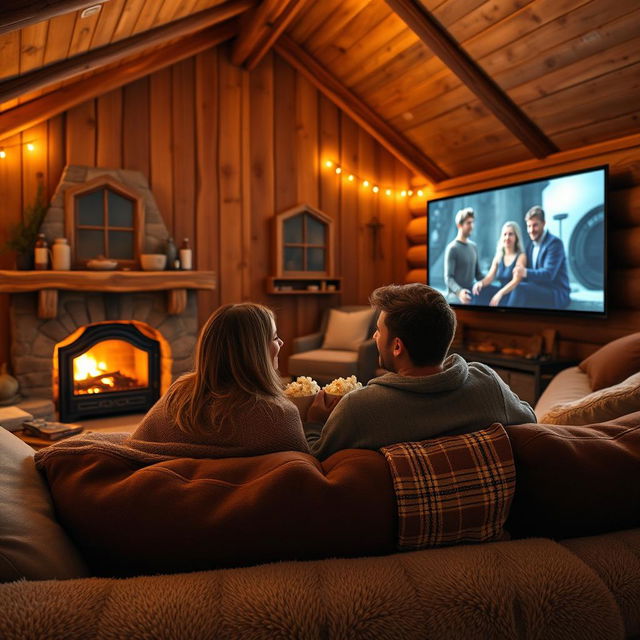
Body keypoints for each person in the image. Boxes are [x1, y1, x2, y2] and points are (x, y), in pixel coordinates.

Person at [305, 283, 536, 460]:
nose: (374, 337)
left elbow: (315, 458)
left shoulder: (359, 408)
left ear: (397, 346)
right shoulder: (487, 385)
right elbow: (530, 420)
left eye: (378, 330)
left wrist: (315, 422)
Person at [131, 303, 309, 456]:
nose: (282, 343)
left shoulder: (178, 393)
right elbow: (307, 464)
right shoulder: (279, 415)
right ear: (256, 353)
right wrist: (314, 422)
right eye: (275, 337)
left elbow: (137, 445)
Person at [507, 206, 571, 309]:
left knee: (520, 289)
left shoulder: (555, 243)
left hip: (556, 293)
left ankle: (506, 323)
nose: (531, 230)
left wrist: (525, 272)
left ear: (544, 223)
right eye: (529, 226)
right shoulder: (530, 246)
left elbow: (548, 275)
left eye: (535, 225)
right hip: (539, 289)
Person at [472, 221, 527, 307]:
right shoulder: (498, 256)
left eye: (510, 234)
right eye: (505, 234)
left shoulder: (521, 256)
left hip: (512, 293)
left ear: (516, 237)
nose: (507, 237)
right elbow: (490, 277)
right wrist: (480, 283)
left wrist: (500, 294)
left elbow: (516, 281)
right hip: (500, 290)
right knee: (479, 290)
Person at [444, 207, 483, 305]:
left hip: (471, 293)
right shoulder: (452, 248)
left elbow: (478, 274)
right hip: (455, 296)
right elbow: (449, 278)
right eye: (468, 223)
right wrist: (460, 292)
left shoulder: (474, 247)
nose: (472, 226)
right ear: (459, 225)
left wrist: (492, 280)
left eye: (472, 222)